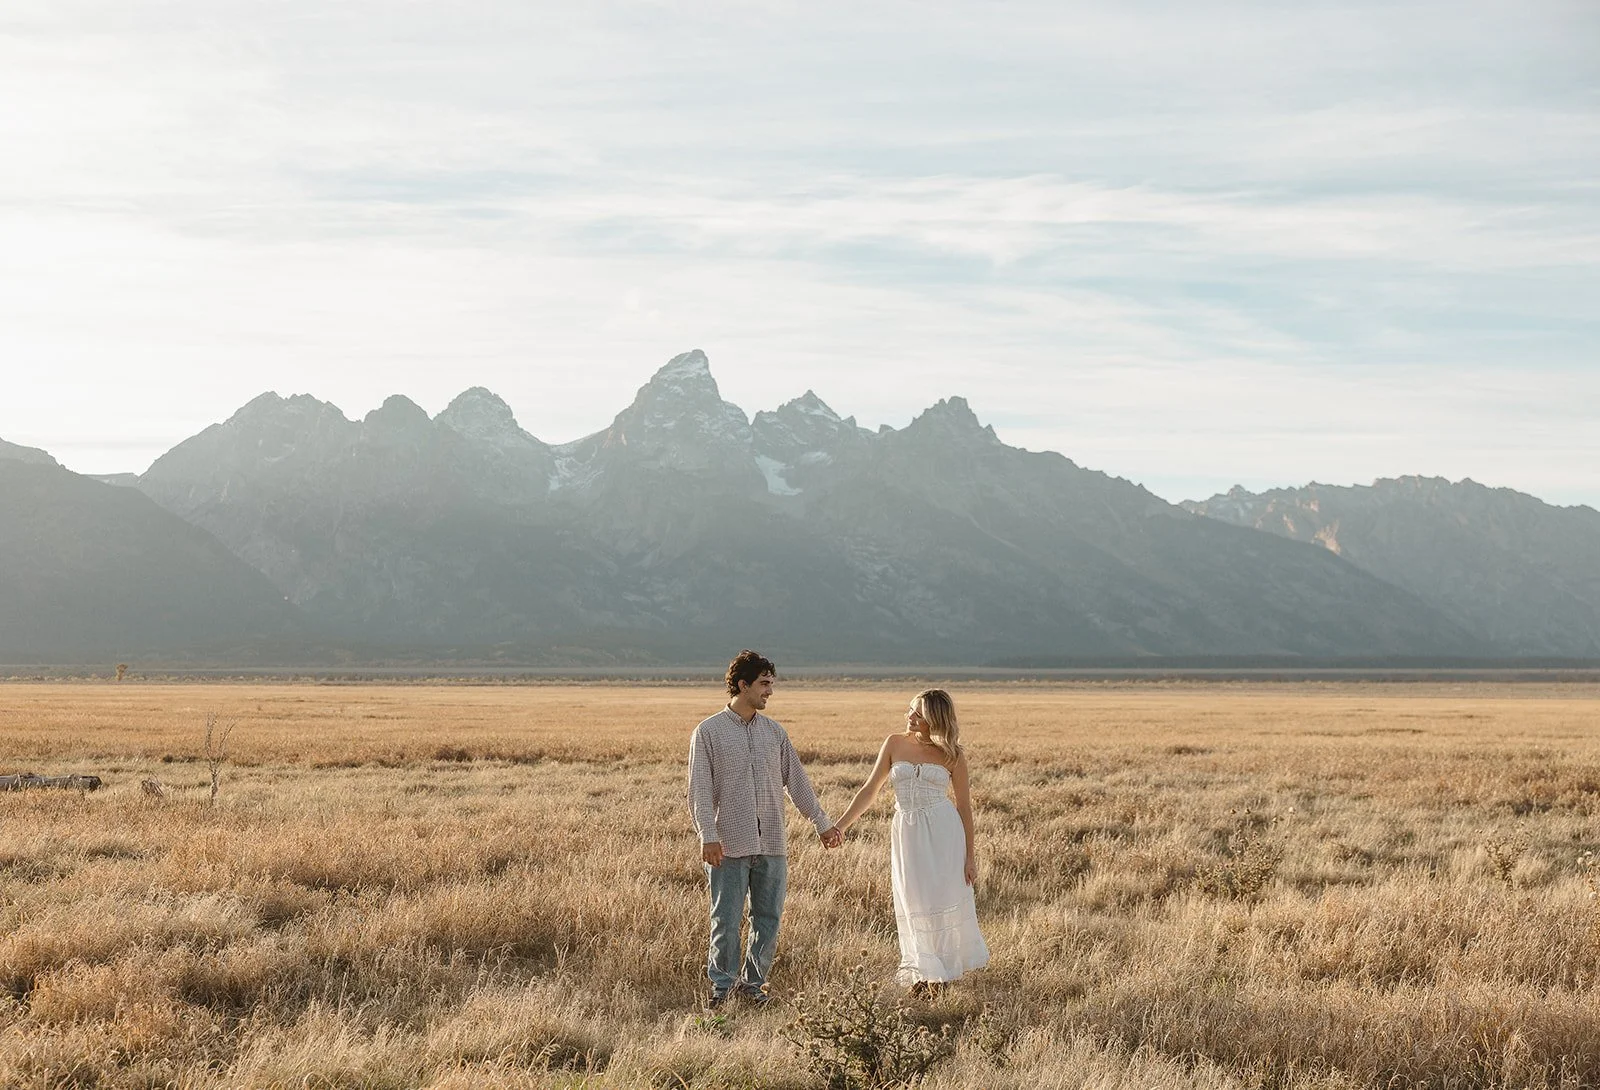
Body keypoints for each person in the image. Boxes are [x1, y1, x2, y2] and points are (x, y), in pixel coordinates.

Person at [688, 649, 842, 1008]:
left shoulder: (775, 733)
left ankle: (753, 988)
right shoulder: (708, 732)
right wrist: (707, 836)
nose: (770, 691)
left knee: (768, 921)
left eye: (771, 684)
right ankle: (723, 991)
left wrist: (822, 823)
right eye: (764, 684)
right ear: (743, 685)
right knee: (725, 921)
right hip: (728, 844)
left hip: (772, 841)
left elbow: (797, 783)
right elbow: (698, 789)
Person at [835, 688, 988, 993]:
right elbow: (870, 789)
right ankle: (922, 971)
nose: (910, 716)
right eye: (910, 710)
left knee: (941, 898)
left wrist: (970, 857)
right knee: (912, 899)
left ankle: (942, 977)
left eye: (918, 713)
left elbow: (964, 807)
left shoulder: (953, 754)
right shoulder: (894, 743)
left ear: (936, 717)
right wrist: (840, 826)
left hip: (944, 834)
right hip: (907, 832)